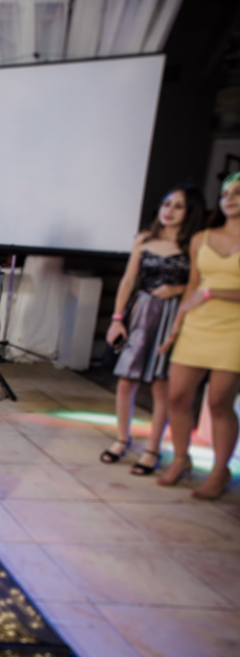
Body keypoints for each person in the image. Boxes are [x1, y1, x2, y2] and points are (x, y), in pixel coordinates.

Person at [102, 186, 204, 474]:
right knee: (126, 379)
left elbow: (199, 284)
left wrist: (177, 289)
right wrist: (117, 319)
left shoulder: (194, 243)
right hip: (140, 314)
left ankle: (152, 450)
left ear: (190, 212)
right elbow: (128, 280)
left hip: (173, 317)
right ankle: (122, 440)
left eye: (178, 206)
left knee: (162, 386)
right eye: (166, 204)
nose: (169, 211)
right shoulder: (144, 239)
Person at [156, 173, 240, 500]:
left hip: (234, 329)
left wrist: (210, 293)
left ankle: (220, 471)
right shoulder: (201, 238)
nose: (229, 199)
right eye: (225, 193)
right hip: (196, 326)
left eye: (237, 193)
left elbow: (202, 291)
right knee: (177, 396)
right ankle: (181, 459)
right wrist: (175, 329)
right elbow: (192, 286)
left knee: (219, 402)